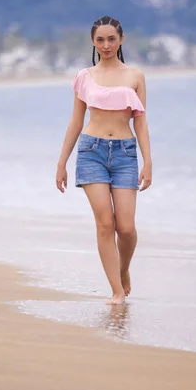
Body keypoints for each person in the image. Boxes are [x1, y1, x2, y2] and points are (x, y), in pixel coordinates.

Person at [56, 15, 152, 305]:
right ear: (93, 42)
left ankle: (123, 270)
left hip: (124, 154)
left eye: (111, 39)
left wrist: (148, 161)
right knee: (104, 224)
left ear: (121, 40)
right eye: (100, 39)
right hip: (91, 152)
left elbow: (141, 123)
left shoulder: (135, 76)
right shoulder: (85, 77)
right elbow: (75, 122)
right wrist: (62, 162)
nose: (106, 45)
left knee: (126, 227)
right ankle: (117, 291)